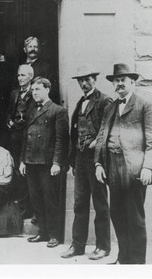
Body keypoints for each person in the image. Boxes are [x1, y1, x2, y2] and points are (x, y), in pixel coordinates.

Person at [94, 63, 152, 264]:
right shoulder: (110, 107)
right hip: (112, 168)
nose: (119, 83)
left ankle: (137, 264)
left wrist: (148, 166)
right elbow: (101, 136)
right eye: (116, 80)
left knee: (135, 217)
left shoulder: (145, 105)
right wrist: (98, 164)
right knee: (117, 215)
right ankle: (123, 259)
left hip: (134, 169)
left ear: (132, 81)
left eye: (123, 80)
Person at [61, 66, 112, 260]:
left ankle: (103, 247)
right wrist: (73, 160)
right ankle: (78, 246)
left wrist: (95, 144)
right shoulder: (80, 102)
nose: (84, 83)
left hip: (96, 159)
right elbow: (74, 133)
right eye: (81, 80)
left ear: (95, 79)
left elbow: (106, 130)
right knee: (79, 204)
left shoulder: (104, 101)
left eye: (87, 80)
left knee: (100, 204)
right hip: (80, 160)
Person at [20, 77, 69, 248]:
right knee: (36, 199)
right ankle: (43, 232)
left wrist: (57, 162)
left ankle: (54, 234)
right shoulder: (31, 111)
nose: (34, 93)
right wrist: (22, 161)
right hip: (31, 162)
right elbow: (26, 138)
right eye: (33, 90)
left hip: (47, 163)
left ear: (47, 89)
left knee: (50, 199)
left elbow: (60, 140)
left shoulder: (57, 111)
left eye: (38, 89)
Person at [5, 64, 34, 217]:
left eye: (23, 75)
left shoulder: (35, 92)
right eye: (18, 75)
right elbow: (9, 112)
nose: (20, 78)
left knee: (29, 169)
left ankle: (31, 207)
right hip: (15, 135)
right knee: (18, 169)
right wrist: (9, 122)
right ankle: (23, 206)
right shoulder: (14, 93)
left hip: (29, 136)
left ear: (30, 77)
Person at [21, 36, 59, 103]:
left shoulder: (46, 67)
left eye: (35, 47)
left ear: (39, 49)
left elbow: (50, 89)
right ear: (24, 49)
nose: (33, 49)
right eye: (30, 47)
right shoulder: (20, 67)